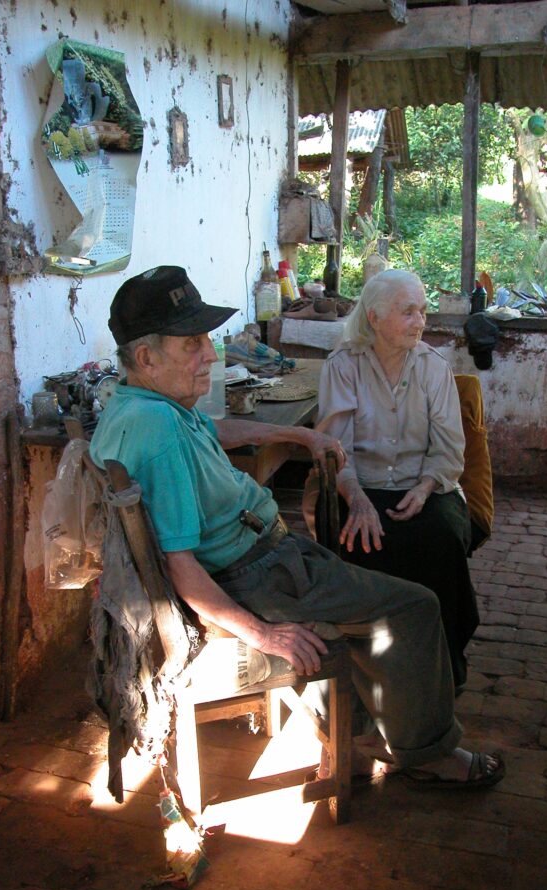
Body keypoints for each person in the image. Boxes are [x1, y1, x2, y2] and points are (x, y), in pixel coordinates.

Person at [90, 265, 503, 788]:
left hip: (266, 556)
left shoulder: (142, 405)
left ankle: (362, 723)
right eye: (193, 344)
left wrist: (297, 434)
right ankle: (429, 751)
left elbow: (214, 429)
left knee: (398, 560)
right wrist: (265, 634)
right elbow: (181, 567)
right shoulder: (159, 433)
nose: (211, 356)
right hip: (257, 575)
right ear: (146, 356)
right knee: (416, 606)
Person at [316, 269, 479, 694]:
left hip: (424, 483)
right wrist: (358, 499)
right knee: (355, 540)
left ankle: (444, 662)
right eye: (409, 312)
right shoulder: (342, 366)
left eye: (423, 311)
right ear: (374, 317)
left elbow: (448, 450)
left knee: (441, 538)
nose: (420, 321)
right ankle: (369, 665)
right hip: (360, 484)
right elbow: (336, 450)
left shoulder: (433, 367)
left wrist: (425, 488)